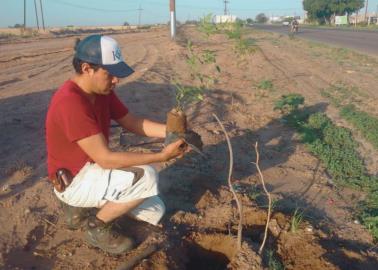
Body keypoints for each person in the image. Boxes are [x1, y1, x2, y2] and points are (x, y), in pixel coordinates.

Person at [45, 34, 187, 255]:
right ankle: (96, 225)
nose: (115, 80)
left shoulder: (102, 92)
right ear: (86, 68)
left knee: (155, 210)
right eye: (109, 74)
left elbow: (132, 122)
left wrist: (173, 133)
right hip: (74, 180)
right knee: (146, 176)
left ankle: (80, 209)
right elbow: (106, 158)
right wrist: (161, 156)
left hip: (92, 170)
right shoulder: (70, 102)